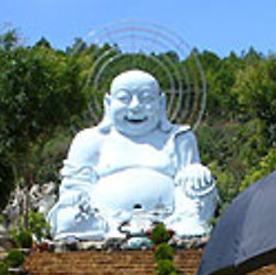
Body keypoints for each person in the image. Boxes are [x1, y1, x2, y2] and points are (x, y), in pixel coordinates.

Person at [48, 69, 218, 240]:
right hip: (103, 221)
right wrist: (75, 197)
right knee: (68, 219)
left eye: (146, 98)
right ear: (108, 103)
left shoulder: (179, 138)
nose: (135, 106)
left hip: (171, 218)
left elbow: (189, 179)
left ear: (161, 103)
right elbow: (75, 185)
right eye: (124, 98)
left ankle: (184, 228)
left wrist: (195, 172)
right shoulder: (90, 139)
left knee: (199, 184)